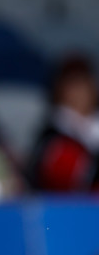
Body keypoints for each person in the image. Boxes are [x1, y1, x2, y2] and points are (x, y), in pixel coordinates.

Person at [27, 53, 99, 192]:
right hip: (70, 208)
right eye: (72, 85)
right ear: (59, 90)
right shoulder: (52, 136)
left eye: (83, 83)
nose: (79, 93)